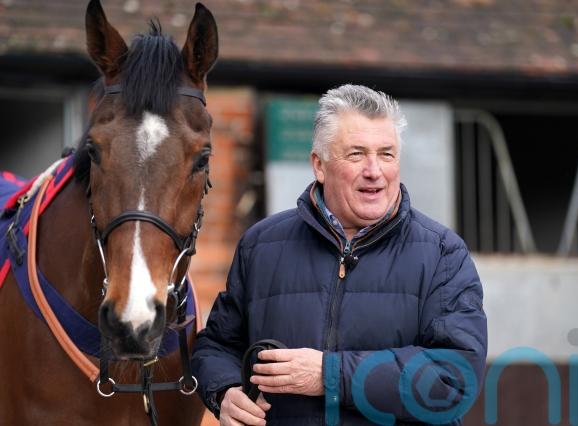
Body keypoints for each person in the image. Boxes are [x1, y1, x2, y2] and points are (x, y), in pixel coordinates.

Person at [192, 84, 487, 425]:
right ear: (319, 165)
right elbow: (217, 345)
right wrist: (225, 391)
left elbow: (453, 379)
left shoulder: (442, 254)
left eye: (387, 154)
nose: (374, 170)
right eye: (356, 154)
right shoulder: (260, 245)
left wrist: (329, 375)